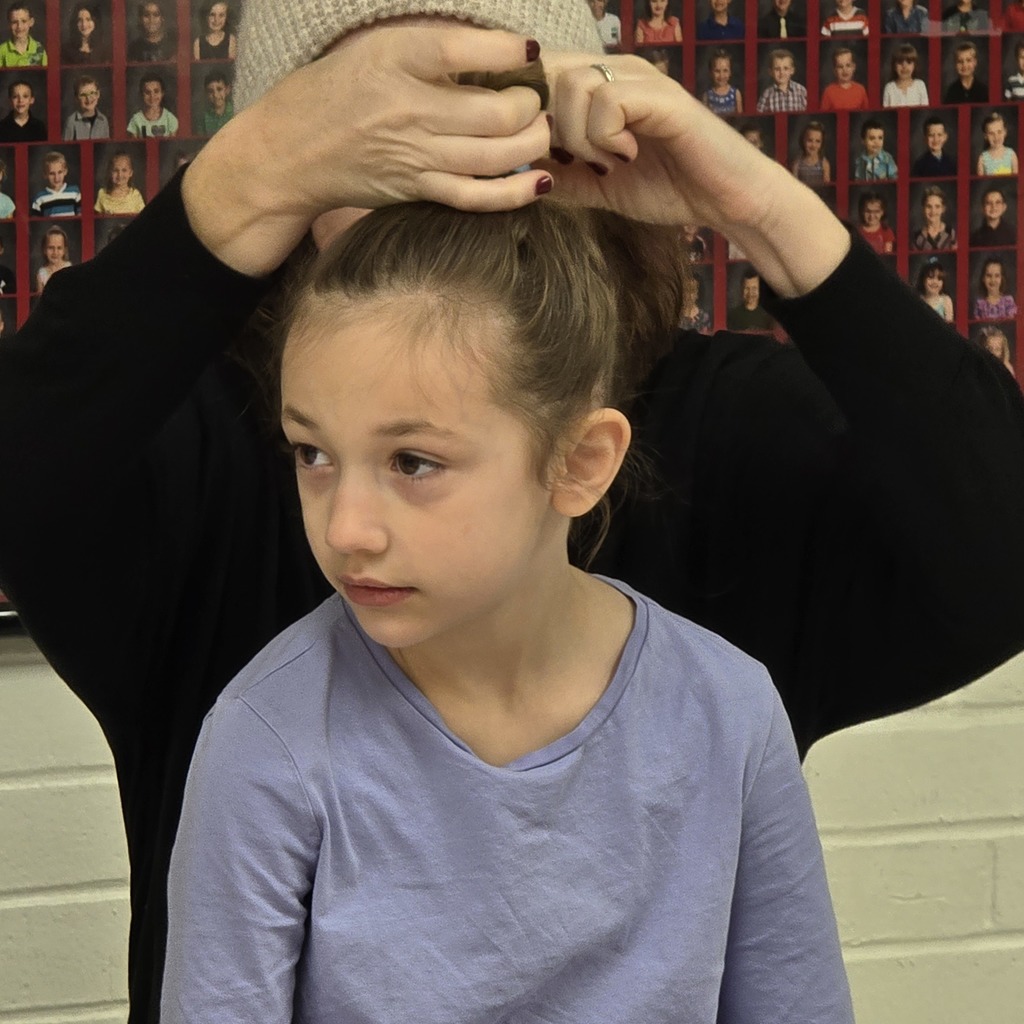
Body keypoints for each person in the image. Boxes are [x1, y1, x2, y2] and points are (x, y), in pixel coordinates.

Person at [2, 3, 1024, 1020]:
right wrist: (244, 175)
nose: (431, 178)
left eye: (476, 123)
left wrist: (756, 203)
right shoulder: (199, 462)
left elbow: (998, 546)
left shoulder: (718, 445)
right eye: (373, 136)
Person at [160, 194, 854, 1024]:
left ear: (580, 461)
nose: (345, 529)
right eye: (313, 453)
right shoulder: (266, 738)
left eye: (412, 462)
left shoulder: (729, 712)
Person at [30, 151, 82, 217]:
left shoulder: (75, 192)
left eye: (60, 172)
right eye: (52, 173)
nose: (56, 178)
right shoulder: (39, 198)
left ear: (65, 171)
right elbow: (35, 220)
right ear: (45, 174)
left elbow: (81, 214)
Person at [95, 150, 146, 216]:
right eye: (115, 170)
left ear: (130, 173)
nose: (119, 175)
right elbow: (98, 219)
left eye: (124, 170)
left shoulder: (136, 195)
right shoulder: (102, 194)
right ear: (110, 172)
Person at [127, 73, 178, 137]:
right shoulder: (136, 120)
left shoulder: (170, 119)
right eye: (147, 92)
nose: (152, 96)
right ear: (142, 95)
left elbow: (172, 143)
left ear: (162, 93)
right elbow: (133, 143)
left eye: (156, 91)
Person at [63, 73, 111, 140]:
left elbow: (105, 144)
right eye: (83, 95)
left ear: (98, 94)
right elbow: (66, 145)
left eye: (92, 93)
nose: (88, 98)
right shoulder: (71, 122)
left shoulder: (103, 120)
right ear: (76, 98)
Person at [726, 266, 775, 331]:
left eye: (754, 288)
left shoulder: (768, 315)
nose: (750, 293)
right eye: (747, 288)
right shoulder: (733, 316)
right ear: (741, 288)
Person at [820, 46, 869, 110]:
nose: (845, 70)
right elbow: (824, 114)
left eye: (848, 65)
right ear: (835, 70)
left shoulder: (861, 90)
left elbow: (866, 113)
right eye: (840, 67)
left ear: (853, 67)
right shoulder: (828, 92)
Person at [0, 1, 46, 66]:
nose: (19, 26)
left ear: (31, 22)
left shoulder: (40, 50)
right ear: (9, 24)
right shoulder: (1, 51)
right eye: (14, 22)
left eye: (24, 21)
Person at [913, 184, 956, 250]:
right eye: (929, 206)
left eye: (937, 206)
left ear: (943, 209)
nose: (933, 211)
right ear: (923, 208)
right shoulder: (917, 237)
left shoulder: (951, 233)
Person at [976, 111, 1018, 176]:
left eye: (999, 132)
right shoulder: (982, 159)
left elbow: (1016, 180)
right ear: (986, 136)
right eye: (991, 133)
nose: (996, 137)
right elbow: (980, 181)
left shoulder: (1011, 155)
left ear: (1005, 132)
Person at [193, 68, 233, 135]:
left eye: (219, 89)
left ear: (227, 90)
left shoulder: (235, 112)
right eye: (210, 91)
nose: (215, 95)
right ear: (206, 93)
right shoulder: (202, 118)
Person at [791, 118, 831, 184]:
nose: (813, 145)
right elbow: (794, 186)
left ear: (822, 143)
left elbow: (827, 186)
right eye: (810, 140)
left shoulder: (824, 164)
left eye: (817, 141)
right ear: (803, 141)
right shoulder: (797, 164)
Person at [702, 48, 742, 114]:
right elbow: (703, 117)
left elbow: (740, 117)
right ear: (711, 73)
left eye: (725, 70)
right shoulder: (707, 95)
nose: (721, 76)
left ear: (730, 72)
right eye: (717, 71)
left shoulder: (736, 93)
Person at [856, 189, 895, 254]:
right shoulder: (857, 232)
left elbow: (888, 255)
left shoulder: (887, 232)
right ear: (862, 211)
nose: (872, 216)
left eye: (876, 211)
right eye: (868, 211)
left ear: (882, 212)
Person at [916, 256, 954, 321]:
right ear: (923, 279)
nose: (935, 282)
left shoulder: (946, 300)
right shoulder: (918, 299)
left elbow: (949, 324)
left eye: (939, 278)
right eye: (931, 277)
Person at [35, 225, 71, 291]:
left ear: (65, 250)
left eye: (59, 248)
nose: (55, 252)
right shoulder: (41, 274)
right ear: (44, 250)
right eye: (51, 248)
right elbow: (41, 296)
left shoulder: (70, 269)